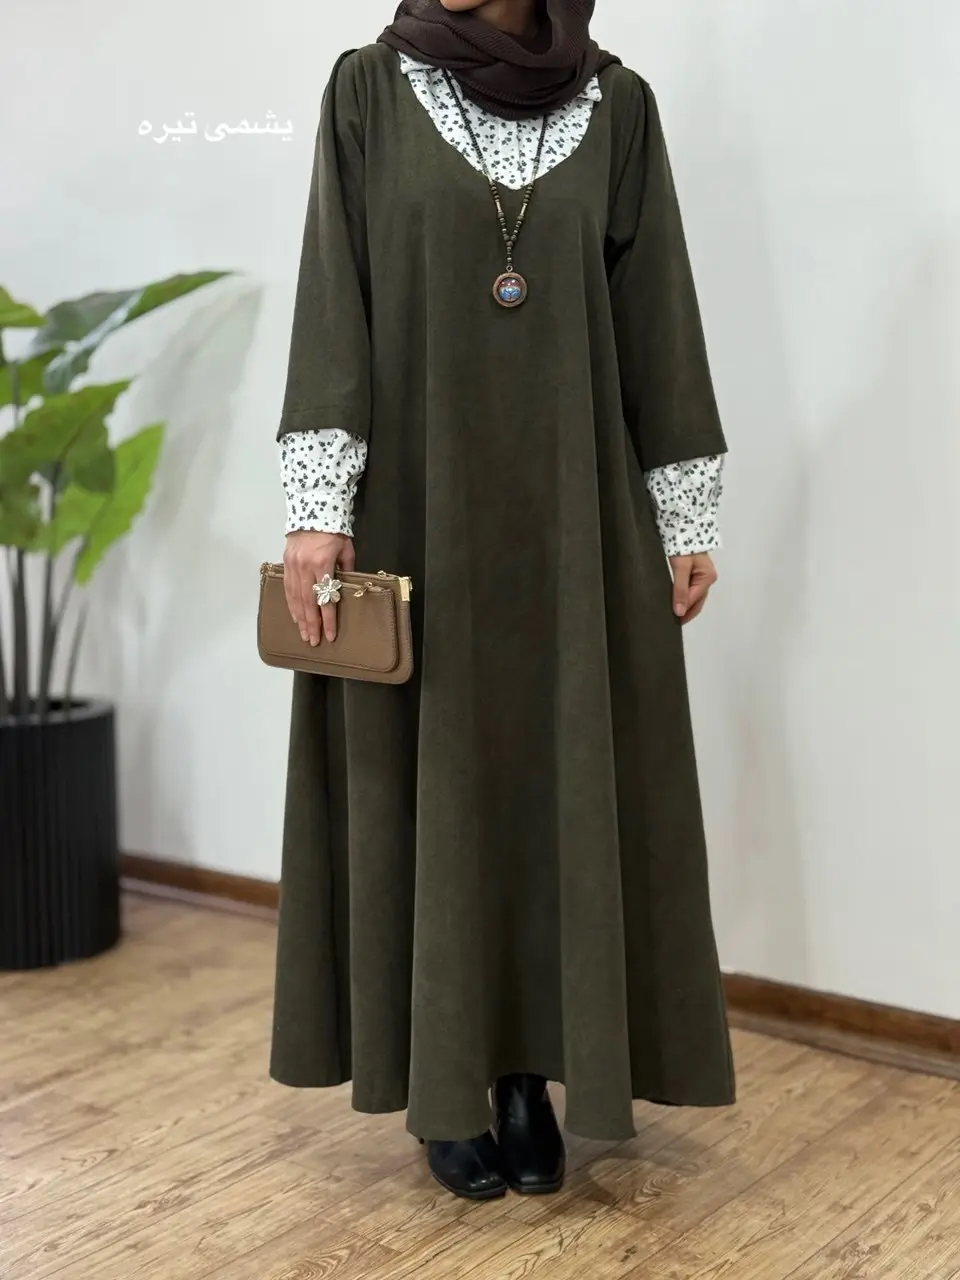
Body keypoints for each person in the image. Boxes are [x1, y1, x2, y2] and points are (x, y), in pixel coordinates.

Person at [270, 0, 735, 1203]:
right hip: (419, 504)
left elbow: (659, 312)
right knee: (435, 779)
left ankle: (528, 1075)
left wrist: (684, 511)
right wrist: (319, 502)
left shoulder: (619, 107)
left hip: (574, 520)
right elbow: (334, 292)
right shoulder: (368, 91)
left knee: (549, 783)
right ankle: (447, 1080)